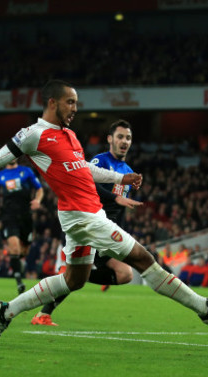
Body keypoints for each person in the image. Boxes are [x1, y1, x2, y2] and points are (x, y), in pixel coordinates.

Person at [0, 79, 208, 341]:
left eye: (76, 103)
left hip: (84, 214)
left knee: (74, 280)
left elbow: (84, 172)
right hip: (82, 215)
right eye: (70, 102)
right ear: (52, 102)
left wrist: (121, 177)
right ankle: (205, 309)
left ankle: (6, 310)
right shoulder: (33, 135)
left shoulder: (70, 136)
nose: (75, 108)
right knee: (143, 258)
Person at [31, 119, 142, 326]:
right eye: (120, 137)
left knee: (125, 274)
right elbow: (87, 183)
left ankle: (69, 278)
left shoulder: (127, 170)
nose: (124, 141)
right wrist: (114, 198)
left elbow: (121, 210)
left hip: (109, 231)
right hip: (92, 225)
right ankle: (46, 309)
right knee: (126, 271)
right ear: (110, 139)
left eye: (128, 138)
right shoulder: (100, 162)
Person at [0, 159, 44, 293]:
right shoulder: (0, 175)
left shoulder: (26, 171)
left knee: (24, 250)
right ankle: (19, 281)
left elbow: (39, 189)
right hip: (9, 215)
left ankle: (18, 263)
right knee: (14, 246)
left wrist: (37, 200)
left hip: (25, 215)